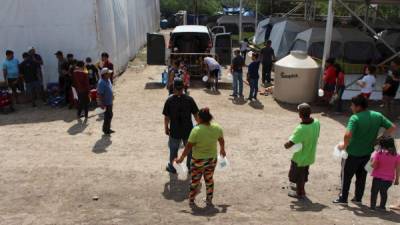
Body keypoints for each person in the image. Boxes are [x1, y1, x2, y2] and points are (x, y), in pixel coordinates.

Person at [333, 95, 396, 205]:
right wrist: (379, 140)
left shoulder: (355, 118)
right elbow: (392, 127)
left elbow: (347, 135)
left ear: (358, 107)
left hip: (351, 154)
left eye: (352, 105)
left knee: (346, 177)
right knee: (361, 177)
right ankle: (358, 198)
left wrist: (344, 146)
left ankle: (343, 198)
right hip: (367, 153)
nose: (351, 107)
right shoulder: (377, 115)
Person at [175, 107, 225, 207]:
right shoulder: (217, 127)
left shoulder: (196, 130)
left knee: (195, 181)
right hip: (211, 159)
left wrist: (181, 158)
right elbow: (221, 140)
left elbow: (188, 147)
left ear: (200, 118)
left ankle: (192, 200)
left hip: (198, 160)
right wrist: (222, 149)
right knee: (209, 179)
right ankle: (209, 199)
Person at [163, 77, 199, 173]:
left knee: (173, 150)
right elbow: (196, 115)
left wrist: (166, 128)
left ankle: (173, 167)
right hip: (188, 130)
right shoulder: (189, 99)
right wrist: (200, 127)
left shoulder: (169, 100)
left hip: (175, 130)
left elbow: (167, 117)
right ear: (183, 88)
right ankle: (190, 167)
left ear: (173, 88)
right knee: (190, 150)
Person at [284, 103, 320, 199]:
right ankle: (300, 189)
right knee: (303, 174)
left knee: (296, 175)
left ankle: (300, 193)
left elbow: (289, 144)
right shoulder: (316, 122)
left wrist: (285, 145)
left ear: (300, 115)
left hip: (299, 158)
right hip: (310, 155)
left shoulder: (301, 129)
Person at [369, 137, 400, 211]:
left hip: (378, 178)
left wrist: (371, 160)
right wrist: (397, 179)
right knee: (383, 192)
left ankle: (372, 207)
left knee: (374, 192)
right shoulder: (397, 155)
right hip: (389, 179)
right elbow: (398, 169)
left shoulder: (378, 153)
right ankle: (382, 206)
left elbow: (373, 165)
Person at [98, 68, 114, 135]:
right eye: (108, 73)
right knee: (107, 116)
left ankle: (108, 128)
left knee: (110, 115)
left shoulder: (108, 80)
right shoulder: (101, 82)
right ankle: (106, 130)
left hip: (110, 101)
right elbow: (100, 94)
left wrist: (112, 95)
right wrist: (102, 103)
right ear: (104, 75)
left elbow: (110, 88)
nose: (110, 74)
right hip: (106, 103)